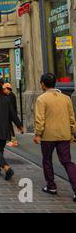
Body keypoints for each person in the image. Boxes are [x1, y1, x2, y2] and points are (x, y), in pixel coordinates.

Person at [34, 73, 76, 202]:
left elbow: (40, 119)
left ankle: (51, 186)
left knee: (47, 160)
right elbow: (71, 117)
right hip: (64, 134)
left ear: (43, 84)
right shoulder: (66, 98)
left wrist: (38, 134)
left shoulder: (42, 99)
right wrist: (73, 132)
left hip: (48, 135)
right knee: (67, 161)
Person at [3, 83, 19, 147]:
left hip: (10, 114)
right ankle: (10, 139)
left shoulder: (11, 95)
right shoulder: (8, 95)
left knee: (9, 126)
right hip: (9, 113)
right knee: (9, 126)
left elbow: (10, 107)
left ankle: (12, 140)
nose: (3, 90)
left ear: (8, 89)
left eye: (4, 89)